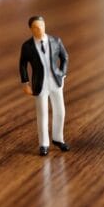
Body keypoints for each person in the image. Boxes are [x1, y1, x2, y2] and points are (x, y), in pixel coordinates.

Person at [19, 16, 70, 156]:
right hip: (40, 83)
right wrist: (25, 83)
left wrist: (62, 74)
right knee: (42, 114)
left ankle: (58, 139)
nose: (39, 29)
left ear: (45, 25)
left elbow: (64, 57)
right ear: (31, 29)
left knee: (60, 111)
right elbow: (23, 65)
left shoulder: (55, 40)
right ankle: (44, 144)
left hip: (56, 82)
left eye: (41, 26)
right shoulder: (27, 46)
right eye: (35, 27)